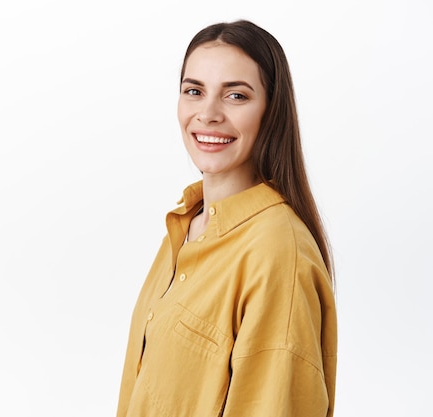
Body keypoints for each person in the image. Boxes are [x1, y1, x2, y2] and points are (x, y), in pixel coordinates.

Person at [116, 20, 337, 417]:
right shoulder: (186, 224)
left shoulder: (277, 253)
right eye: (194, 91)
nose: (208, 114)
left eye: (236, 95)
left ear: (271, 111)